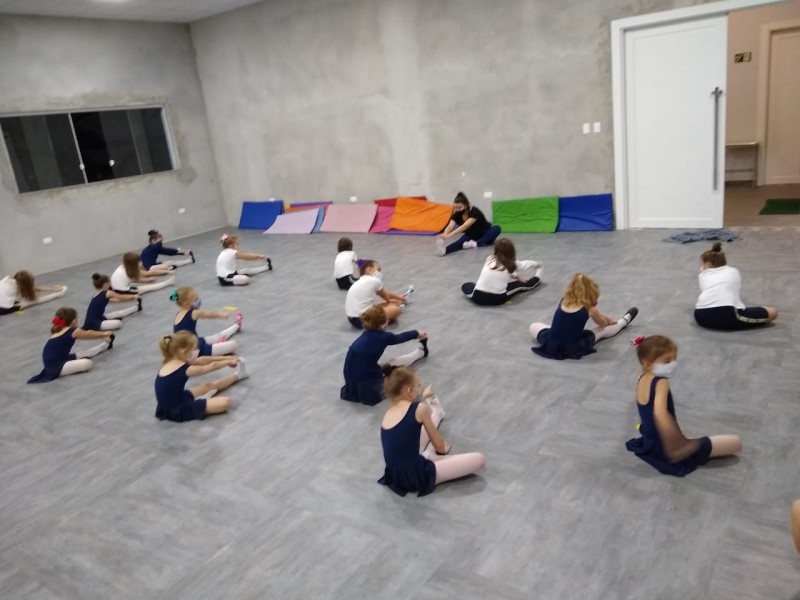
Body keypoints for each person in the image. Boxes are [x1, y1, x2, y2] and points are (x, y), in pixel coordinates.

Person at [625, 335, 742, 476]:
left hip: (649, 440)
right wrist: (677, 443)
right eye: (666, 361)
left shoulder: (642, 376)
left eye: (674, 358)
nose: (673, 364)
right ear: (647, 363)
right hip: (664, 444)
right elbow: (659, 413)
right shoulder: (661, 382)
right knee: (736, 442)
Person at [378, 367, 486, 497]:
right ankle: (429, 452)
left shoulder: (388, 413)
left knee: (420, 427)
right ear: (409, 390)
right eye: (418, 386)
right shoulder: (419, 408)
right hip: (417, 475)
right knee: (479, 459)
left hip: (395, 474)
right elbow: (440, 447)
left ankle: (436, 414)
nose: (420, 388)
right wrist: (443, 450)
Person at [530, 273, 637, 359]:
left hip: (552, 344)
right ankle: (624, 321)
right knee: (602, 330)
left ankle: (558, 333)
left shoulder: (563, 301)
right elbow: (603, 323)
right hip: (573, 346)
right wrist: (610, 321)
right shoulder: (590, 309)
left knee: (534, 326)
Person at [340, 305, 429, 405]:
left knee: (386, 366)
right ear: (383, 326)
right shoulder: (384, 337)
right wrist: (417, 333)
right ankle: (421, 352)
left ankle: (420, 353)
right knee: (394, 372)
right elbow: (400, 338)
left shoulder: (366, 333)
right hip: (366, 380)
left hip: (350, 378)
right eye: (387, 321)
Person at [154, 331, 247, 422]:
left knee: (208, 386)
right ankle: (200, 401)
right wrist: (228, 362)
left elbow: (202, 360)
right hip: (178, 409)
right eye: (193, 349)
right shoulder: (186, 369)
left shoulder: (171, 360)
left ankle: (238, 375)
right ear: (184, 351)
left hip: (174, 399)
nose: (196, 351)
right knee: (225, 402)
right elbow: (211, 366)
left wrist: (226, 358)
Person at [694, 242, 777, 330]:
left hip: (700, 316)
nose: (701, 267)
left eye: (702, 264)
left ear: (708, 264)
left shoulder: (702, 276)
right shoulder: (733, 271)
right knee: (773, 312)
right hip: (728, 317)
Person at [27, 307, 114, 383]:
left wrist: (101, 336)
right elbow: (88, 334)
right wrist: (103, 334)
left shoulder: (60, 330)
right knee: (87, 363)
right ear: (74, 321)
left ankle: (105, 345)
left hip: (59, 359)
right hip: (56, 366)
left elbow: (87, 334)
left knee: (83, 353)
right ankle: (104, 345)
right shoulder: (72, 331)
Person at [461, 238, 544, 306]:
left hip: (478, 297)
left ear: (495, 250)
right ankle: (537, 278)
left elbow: (502, 270)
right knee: (520, 284)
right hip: (497, 298)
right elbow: (525, 264)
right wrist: (538, 264)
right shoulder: (513, 263)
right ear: (512, 252)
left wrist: (516, 276)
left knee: (466, 285)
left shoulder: (490, 258)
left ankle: (484, 288)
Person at [171, 287, 242, 356]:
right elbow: (209, 314)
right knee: (233, 344)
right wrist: (221, 314)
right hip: (195, 349)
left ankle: (236, 326)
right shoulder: (193, 313)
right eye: (196, 299)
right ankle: (234, 327)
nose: (198, 301)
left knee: (215, 337)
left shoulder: (178, 314)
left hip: (190, 344)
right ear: (186, 303)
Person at [344, 260, 408, 329]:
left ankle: (381, 318)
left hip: (352, 319)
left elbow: (383, 292)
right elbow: (385, 296)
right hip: (362, 319)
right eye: (378, 270)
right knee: (395, 309)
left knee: (384, 304)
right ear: (369, 270)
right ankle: (379, 322)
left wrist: (398, 297)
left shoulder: (360, 281)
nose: (380, 273)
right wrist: (394, 300)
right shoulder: (375, 280)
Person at [436, 192, 501, 256]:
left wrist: (450, 235)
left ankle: (475, 244)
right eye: (456, 207)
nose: (457, 209)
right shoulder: (457, 214)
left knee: (496, 228)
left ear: (466, 205)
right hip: (471, 235)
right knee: (459, 242)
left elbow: (465, 226)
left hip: (485, 233)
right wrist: (445, 234)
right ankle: (445, 251)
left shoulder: (475, 211)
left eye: (460, 207)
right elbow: (450, 226)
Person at [0, 270, 67, 315]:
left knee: (23, 298)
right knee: (33, 300)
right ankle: (59, 294)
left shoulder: (7, 278)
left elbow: (34, 288)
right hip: (3, 309)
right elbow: (34, 289)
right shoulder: (18, 287)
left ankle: (58, 292)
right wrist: (54, 289)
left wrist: (53, 289)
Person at [110, 252, 175, 295]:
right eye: (138, 262)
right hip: (121, 291)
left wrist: (146, 281)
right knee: (148, 287)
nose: (140, 263)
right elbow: (149, 273)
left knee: (145, 286)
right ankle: (168, 283)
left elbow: (131, 279)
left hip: (114, 288)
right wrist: (168, 271)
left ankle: (168, 282)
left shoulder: (123, 267)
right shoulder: (129, 270)